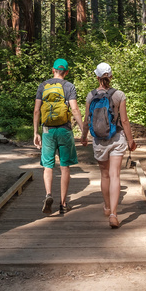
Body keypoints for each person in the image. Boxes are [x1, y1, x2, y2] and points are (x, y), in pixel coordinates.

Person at [81, 62, 137, 228]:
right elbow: (125, 121)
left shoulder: (91, 96)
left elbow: (86, 120)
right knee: (115, 175)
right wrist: (130, 140)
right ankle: (113, 214)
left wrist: (84, 137)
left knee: (104, 175)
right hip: (117, 138)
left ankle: (106, 207)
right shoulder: (119, 95)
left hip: (99, 140)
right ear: (111, 76)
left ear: (97, 77)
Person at [33, 58, 87, 215]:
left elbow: (37, 110)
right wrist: (83, 131)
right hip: (64, 130)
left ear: (53, 70)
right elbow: (75, 109)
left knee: (48, 165)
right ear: (67, 72)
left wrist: (36, 132)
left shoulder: (43, 86)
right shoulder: (69, 86)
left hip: (47, 130)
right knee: (65, 167)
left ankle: (48, 194)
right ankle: (63, 204)